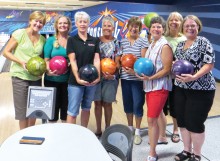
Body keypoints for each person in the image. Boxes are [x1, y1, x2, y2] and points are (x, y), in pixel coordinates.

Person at [173, 15, 216, 161]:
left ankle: (197, 155)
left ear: (198, 27)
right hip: (180, 87)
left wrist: (194, 77)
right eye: (187, 26)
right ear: (183, 28)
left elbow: (209, 64)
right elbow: (177, 63)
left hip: (201, 89)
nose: (190, 28)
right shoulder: (180, 45)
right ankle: (186, 151)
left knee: (195, 122)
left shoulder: (204, 42)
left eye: (193, 25)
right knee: (182, 120)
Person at [137, 16, 173, 161]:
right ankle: (163, 137)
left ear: (163, 29)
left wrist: (150, 78)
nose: (156, 29)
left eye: (159, 27)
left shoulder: (165, 46)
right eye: (153, 27)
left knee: (151, 119)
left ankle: (152, 152)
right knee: (158, 114)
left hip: (159, 86)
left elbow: (167, 69)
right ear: (149, 29)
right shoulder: (152, 44)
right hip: (150, 86)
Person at [3, 11, 46, 130]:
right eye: (36, 21)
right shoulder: (19, 33)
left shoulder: (42, 39)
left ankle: (31, 131)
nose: (38, 24)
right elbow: (6, 52)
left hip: (35, 78)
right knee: (22, 110)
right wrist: (20, 62)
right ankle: (22, 134)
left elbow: (42, 59)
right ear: (30, 21)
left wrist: (43, 70)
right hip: (20, 76)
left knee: (34, 109)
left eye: (41, 22)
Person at [116, 16, 148, 145]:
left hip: (138, 79)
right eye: (132, 26)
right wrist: (115, 68)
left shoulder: (143, 42)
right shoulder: (122, 42)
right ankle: (130, 128)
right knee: (128, 104)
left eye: (136, 26)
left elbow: (144, 62)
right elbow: (118, 58)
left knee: (137, 104)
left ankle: (138, 131)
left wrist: (134, 71)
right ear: (128, 27)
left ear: (140, 29)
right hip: (125, 78)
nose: (134, 28)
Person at [66, 11, 100, 127]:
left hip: (91, 81)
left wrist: (98, 77)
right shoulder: (72, 40)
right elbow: (73, 61)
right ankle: (70, 137)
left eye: (85, 22)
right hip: (75, 82)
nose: (82, 24)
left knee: (86, 108)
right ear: (76, 23)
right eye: (80, 22)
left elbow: (96, 60)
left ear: (88, 23)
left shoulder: (94, 40)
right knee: (73, 111)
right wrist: (78, 78)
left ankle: (83, 134)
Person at [157, 11, 186, 144]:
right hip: (163, 77)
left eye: (177, 20)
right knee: (161, 106)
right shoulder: (163, 38)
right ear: (168, 23)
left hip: (178, 79)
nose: (174, 22)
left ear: (181, 23)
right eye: (171, 20)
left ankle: (175, 130)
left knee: (175, 106)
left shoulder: (185, 39)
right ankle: (161, 132)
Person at [93, 16, 120, 137]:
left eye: (109, 26)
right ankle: (98, 130)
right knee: (97, 103)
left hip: (111, 77)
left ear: (113, 28)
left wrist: (112, 75)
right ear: (101, 27)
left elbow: (118, 63)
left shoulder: (117, 42)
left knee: (107, 103)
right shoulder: (96, 41)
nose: (107, 28)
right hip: (97, 77)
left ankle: (107, 128)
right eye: (105, 26)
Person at [43, 15, 72, 123]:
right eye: (60, 23)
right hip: (51, 80)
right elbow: (46, 59)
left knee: (65, 108)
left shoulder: (72, 40)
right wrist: (48, 71)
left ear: (69, 26)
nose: (62, 25)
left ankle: (64, 133)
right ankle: (52, 132)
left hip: (67, 80)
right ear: (56, 25)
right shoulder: (50, 40)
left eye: (65, 23)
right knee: (52, 110)